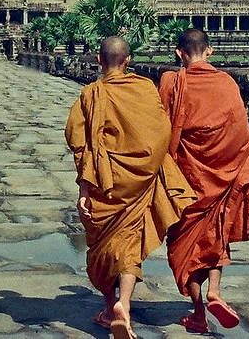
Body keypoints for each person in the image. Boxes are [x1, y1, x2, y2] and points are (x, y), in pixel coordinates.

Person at [158, 28, 249, 333]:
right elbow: (241, 135)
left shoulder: (172, 82)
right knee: (216, 237)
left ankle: (198, 313)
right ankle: (215, 291)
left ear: (179, 53)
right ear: (209, 51)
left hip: (187, 181)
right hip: (222, 177)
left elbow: (161, 129)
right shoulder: (226, 83)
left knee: (184, 249)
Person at [65, 36, 196, 338]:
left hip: (104, 182)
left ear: (99, 60)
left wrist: (85, 188)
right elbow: (161, 133)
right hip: (138, 183)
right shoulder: (144, 88)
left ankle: (111, 307)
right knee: (130, 244)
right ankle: (123, 304)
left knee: (102, 247)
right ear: (128, 61)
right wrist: (150, 168)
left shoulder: (90, 95)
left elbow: (80, 144)